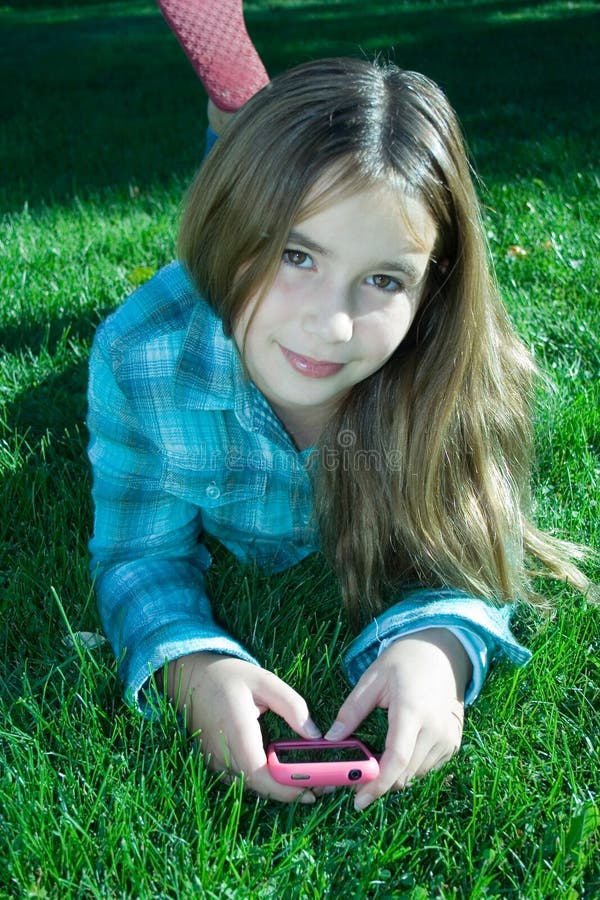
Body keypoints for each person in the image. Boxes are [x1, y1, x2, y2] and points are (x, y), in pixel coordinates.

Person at [87, 9, 595, 813]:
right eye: (297, 255)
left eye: (385, 280)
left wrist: (438, 651)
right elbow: (137, 553)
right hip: (201, 297)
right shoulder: (140, 359)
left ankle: (251, 146)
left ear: (434, 286)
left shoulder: (463, 371)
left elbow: (472, 555)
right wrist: (194, 668)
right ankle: (238, 123)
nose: (331, 326)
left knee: (281, 200)